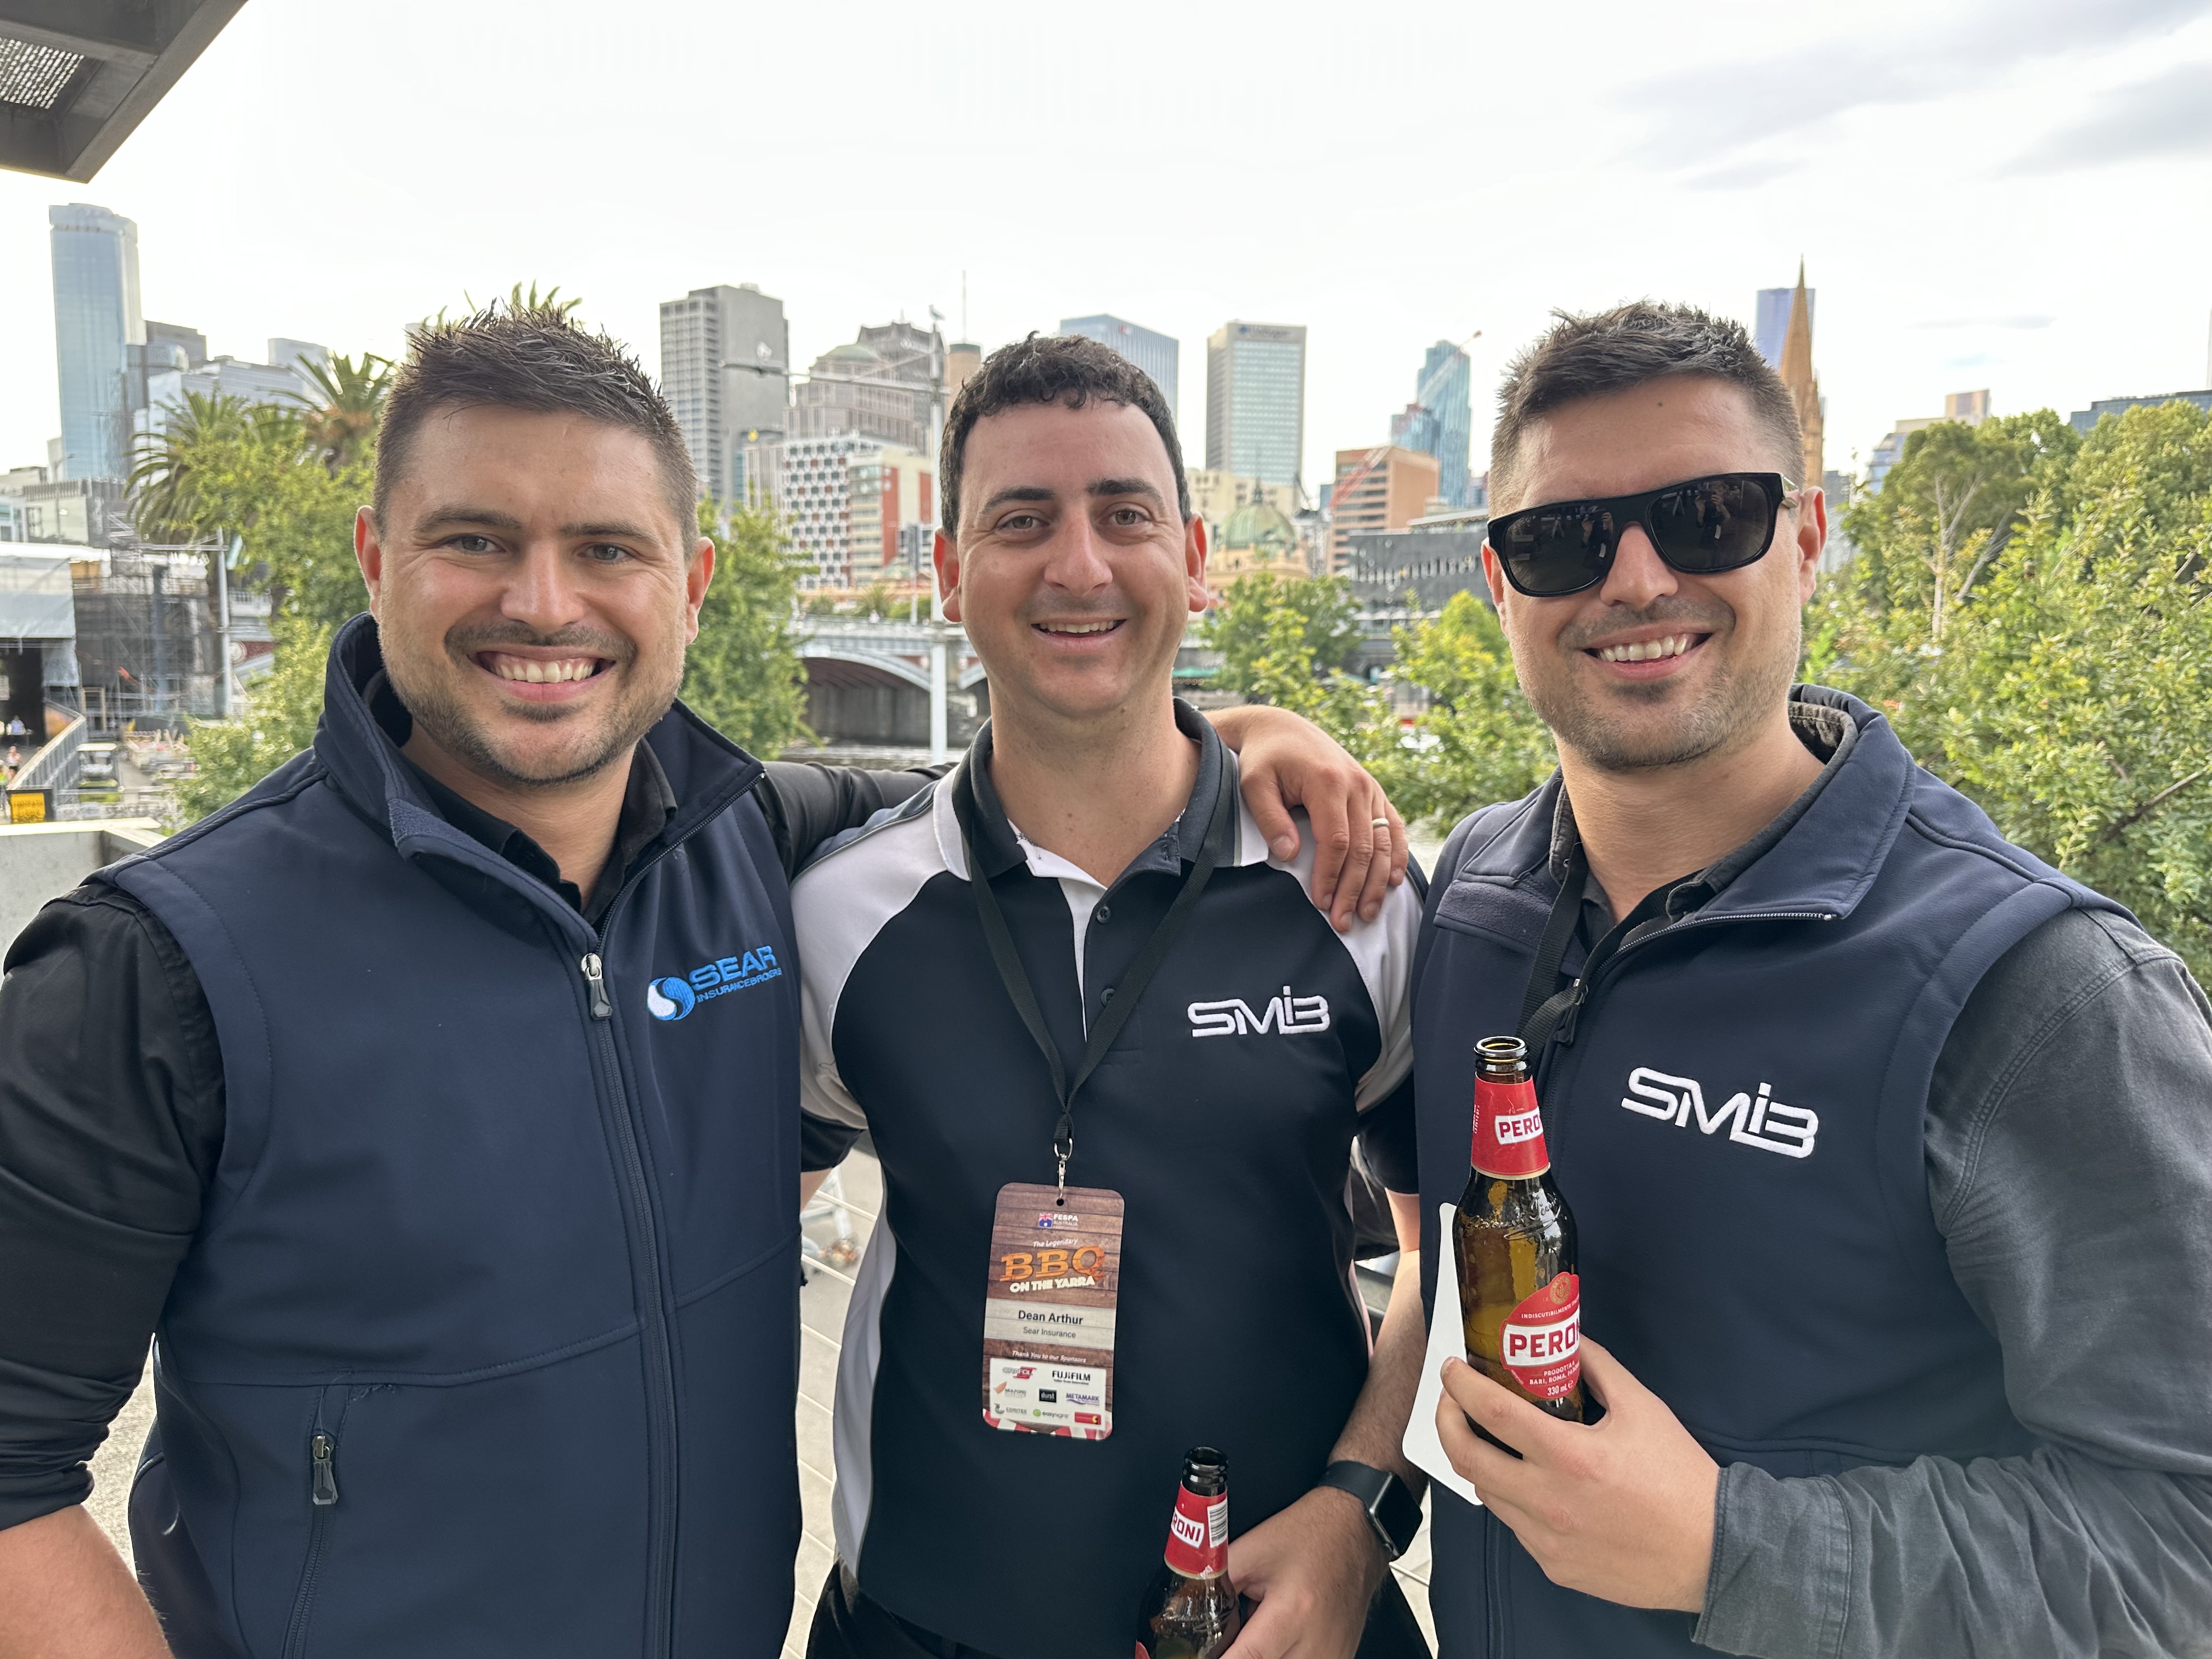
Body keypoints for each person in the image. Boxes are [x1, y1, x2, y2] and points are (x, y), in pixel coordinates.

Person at [0, 306, 1405, 1659]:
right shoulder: (155, 967)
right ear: (375, 557)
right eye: (474, 540)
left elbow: (1058, 776)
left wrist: (1237, 739)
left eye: (607, 547)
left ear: (691, 584)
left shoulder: (758, 848)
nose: (543, 601)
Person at [1407, 301, 2212, 1657]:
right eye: (1562, 539)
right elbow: (1435, 1264)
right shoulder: (1477, 899)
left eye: (1708, 515)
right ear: (1500, 584)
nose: (1637, 580)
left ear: (1808, 538)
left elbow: (2185, 1552)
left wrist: (1731, 1551)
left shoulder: (2044, 994)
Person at [792, 335, 1431, 1659]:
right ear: (947, 570)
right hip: (925, 1626)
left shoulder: (1352, 889)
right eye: (1021, 519)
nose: (1079, 565)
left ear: (1194, 557)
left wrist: (1361, 1515)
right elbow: (725, 1242)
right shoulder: (840, 913)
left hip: (1284, 1627)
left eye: (1125, 515)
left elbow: (1464, 1256)